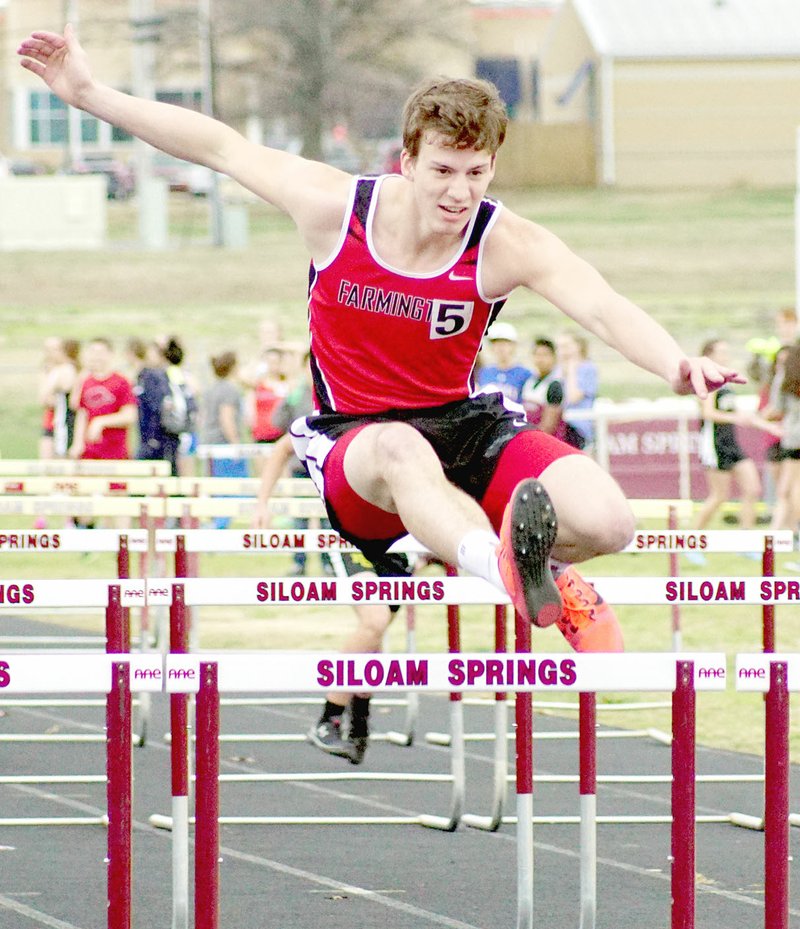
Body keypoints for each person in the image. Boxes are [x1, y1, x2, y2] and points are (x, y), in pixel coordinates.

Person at [18, 29, 747, 654]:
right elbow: (220, 146)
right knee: (402, 449)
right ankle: (530, 582)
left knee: (608, 519)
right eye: (442, 171)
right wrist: (88, 95)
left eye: (476, 173)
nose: (458, 193)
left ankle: (480, 548)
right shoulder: (338, 208)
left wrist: (678, 362)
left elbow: (602, 304)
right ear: (406, 158)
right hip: (359, 444)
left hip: (463, 426)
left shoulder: (505, 242)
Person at [254, 431, 411, 764]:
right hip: (349, 536)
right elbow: (283, 447)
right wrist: (262, 504)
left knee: (375, 634)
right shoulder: (334, 411)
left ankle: (360, 720)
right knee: (375, 619)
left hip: (399, 540)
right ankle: (329, 719)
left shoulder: (409, 411)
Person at [691, 339, 780, 543]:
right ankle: (691, 540)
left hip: (731, 442)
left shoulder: (725, 381)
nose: (726, 356)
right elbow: (708, 413)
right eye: (721, 352)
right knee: (719, 496)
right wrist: (734, 418)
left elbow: (738, 413)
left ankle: (746, 540)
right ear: (709, 355)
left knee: (752, 489)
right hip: (715, 442)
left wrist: (768, 426)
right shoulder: (706, 381)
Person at [69, 337, 137, 461]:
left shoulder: (121, 382)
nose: (96, 357)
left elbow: (129, 415)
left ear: (110, 355)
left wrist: (100, 422)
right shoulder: (86, 381)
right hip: (89, 452)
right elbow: (81, 412)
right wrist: (77, 443)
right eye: (93, 352)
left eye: (100, 353)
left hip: (114, 452)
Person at [203, 350, 246, 529]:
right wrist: (236, 443)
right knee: (230, 487)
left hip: (210, 442)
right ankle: (219, 525)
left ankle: (216, 523)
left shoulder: (211, 388)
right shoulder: (230, 389)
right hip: (223, 444)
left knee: (216, 485)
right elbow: (226, 417)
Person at [767, 344, 800, 532]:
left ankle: (795, 529)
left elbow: (777, 408)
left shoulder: (785, 377)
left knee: (794, 485)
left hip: (793, 435)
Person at [556, 331, 598, 452]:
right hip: (560, 426)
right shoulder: (558, 370)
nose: (563, 351)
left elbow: (573, 397)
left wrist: (571, 369)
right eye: (560, 347)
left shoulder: (588, 369)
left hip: (579, 426)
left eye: (566, 346)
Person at [475, 321, 532, 404]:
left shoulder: (525, 374)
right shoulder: (484, 372)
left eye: (504, 344)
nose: (500, 348)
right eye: (496, 344)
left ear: (513, 346)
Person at [521, 337, 566, 439]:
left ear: (553, 357)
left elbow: (548, 426)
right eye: (537, 355)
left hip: (544, 441)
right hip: (528, 434)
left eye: (545, 355)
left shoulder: (554, 385)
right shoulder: (529, 381)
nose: (540, 359)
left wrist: (533, 439)